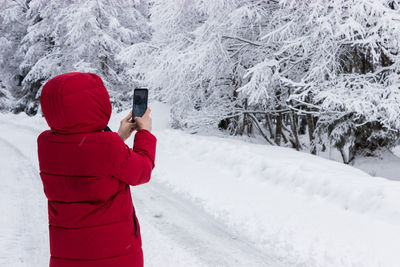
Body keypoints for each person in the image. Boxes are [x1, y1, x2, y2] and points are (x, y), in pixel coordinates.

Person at [37, 72, 157, 267]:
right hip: (113, 255)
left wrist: (117, 138)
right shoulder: (106, 146)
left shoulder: (46, 143)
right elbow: (142, 171)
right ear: (96, 103)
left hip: (68, 255)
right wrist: (144, 133)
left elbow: (87, 161)